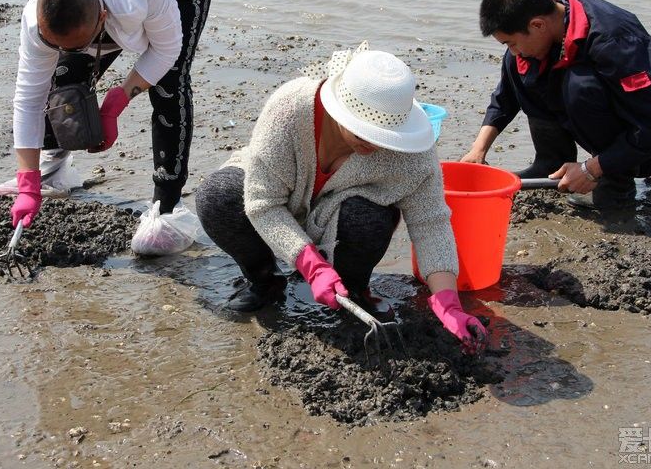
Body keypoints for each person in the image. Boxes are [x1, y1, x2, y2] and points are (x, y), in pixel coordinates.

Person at [195, 44, 487, 354]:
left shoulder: (413, 152)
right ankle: (264, 280)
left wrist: (448, 304)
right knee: (219, 197)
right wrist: (312, 267)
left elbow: (430, 222)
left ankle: (354, 290)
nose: (375, 145)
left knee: (369, 219)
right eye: (365, 134)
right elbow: (263, 203)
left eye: (384, 138)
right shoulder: (290, 108)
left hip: (342, 216)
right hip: (280, 200)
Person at [0, 0, 217, 255]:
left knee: (169, 83)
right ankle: (54, 170)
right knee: (64, 76)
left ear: (104, 20)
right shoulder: (37, 14)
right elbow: (28, 98)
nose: (65, 50)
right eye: (55, 44)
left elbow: (167, 51)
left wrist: (118, 100)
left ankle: (167, 208)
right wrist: (27, 183)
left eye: (81, 44)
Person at [461, 0, 651, 210]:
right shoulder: (549, 18)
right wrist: (478, 150)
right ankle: (550, 163)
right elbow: (506, 97)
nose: (512, 50)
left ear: (538, 25)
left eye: (510, 42)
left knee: (580, 87)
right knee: (516, 63)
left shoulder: (616, 42)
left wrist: (590, 169)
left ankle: (615, 185)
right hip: (634, 129)